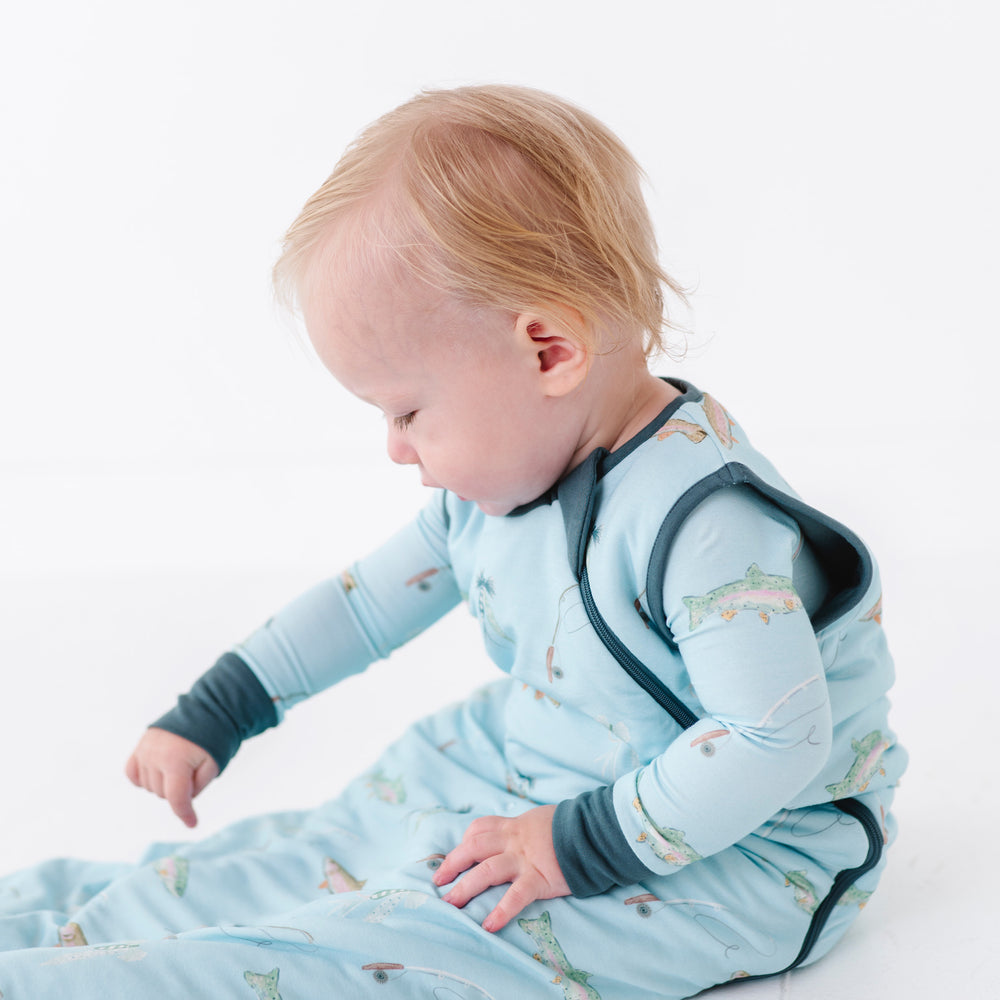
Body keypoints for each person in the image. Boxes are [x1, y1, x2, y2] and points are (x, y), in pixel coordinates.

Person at [0, 85, 905, 999]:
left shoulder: (707, 526)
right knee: (293, 863)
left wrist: (567, 844)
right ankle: (53, 931)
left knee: (370, 952)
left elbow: (772, 739)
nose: (395, 447)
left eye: (408, 410)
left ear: (548, 351)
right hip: (530, 759)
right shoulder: (501, 485)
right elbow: (363, 606)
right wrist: (220, 706)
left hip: (738, 855)